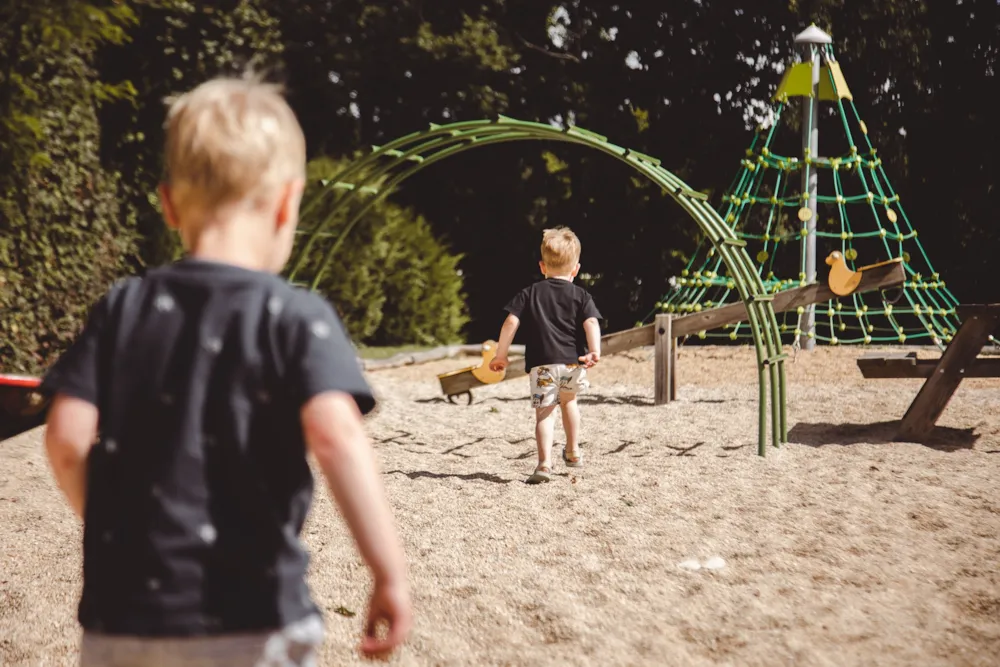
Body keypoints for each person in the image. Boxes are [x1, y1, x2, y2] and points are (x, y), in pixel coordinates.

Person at [40, 74, 411, 666]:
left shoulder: (123, 307)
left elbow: (64, 438)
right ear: (290, 202)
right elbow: (336, 435)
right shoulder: (295, 316)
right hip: (255, 616)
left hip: (123, 620)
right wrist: (387, 568)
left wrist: (122, 521)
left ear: (167, 204)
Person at [489, 227, 602, 484]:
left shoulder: (530, 293)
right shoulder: (581, 295)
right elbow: (592, 323)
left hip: (542, 366)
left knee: (544, 414)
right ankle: (573, 452)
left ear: (542, 266)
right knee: (569, 403)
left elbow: (510, 323)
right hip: (573, 362)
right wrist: (595, 351)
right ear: (576, 269)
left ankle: (544, 464)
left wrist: (501, 355)